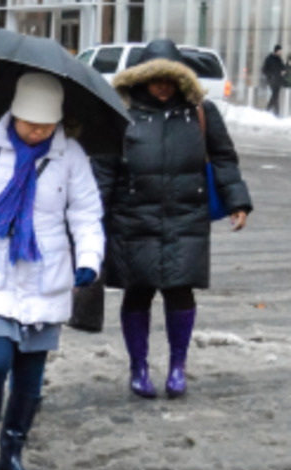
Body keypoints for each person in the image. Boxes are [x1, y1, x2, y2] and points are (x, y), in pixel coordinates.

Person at [0, 73, 104, 470]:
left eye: (45, 124)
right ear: (13, 113)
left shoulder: (69, 156)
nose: (36, 130)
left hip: (45, 279)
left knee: (30, 380)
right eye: (28, 121)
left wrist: (89, 259)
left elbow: (86, 214)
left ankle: (12, 453)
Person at [94, 39, 251, 400]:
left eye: (170, 79)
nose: (163, 85)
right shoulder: (121, 114)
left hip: (185, 217)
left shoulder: (201, 112)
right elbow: (104, 169)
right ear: (140, 79)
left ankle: (178, 366)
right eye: (156, 78)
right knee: (138, 292)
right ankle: (139, 367)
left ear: (182, 80)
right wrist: (92, 218)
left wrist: (237, 201)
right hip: (134, 218)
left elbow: (224, 159)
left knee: (180, 292)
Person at [263, 44, 286, 115]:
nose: (280, 52)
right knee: (275, 96)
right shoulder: (269, 59)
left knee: (275, 96)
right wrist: (271, 75)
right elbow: (264, 70)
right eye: (279, 50)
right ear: (276, 50)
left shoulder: (279, 59)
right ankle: (274, 112)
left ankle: (269, 111)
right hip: (272, 80)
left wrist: (283, 72)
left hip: (278, 81)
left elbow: (283, 68)